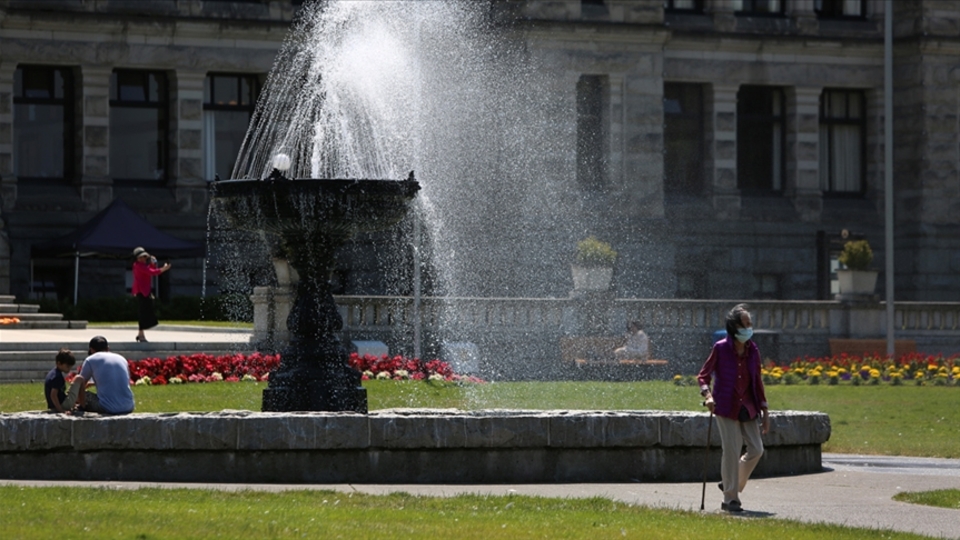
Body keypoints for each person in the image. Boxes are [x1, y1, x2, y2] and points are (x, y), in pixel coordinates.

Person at [697, 303, 770, 513]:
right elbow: (703, 375)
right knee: (731, 450)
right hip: (725, 405)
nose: (749, 328)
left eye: (750, 324)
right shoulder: (720, 348)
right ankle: (730, 499)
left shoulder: (753, 350)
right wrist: (708, 396)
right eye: (745, 324)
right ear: (734, 327)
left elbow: (757, 381)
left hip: (748, 406)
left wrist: (765, 411)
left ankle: (731, 482)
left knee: (757, 449)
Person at [75, 336, 135, 415]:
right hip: (129, 406)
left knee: (84, 394)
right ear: (108, 348)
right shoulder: (122, 359)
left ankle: (81, 407)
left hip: (108, 407)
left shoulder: (90, 360)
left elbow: (80, 384)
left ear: (91, 350)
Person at [132, 246, 170, 342]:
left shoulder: (141, 266)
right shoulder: (138, 266)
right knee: (143, 313)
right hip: (142, 292)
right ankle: (141, 335)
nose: (143, 259)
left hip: (145, 291)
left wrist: (153, 264)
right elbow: (152, 272)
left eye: (144, 257)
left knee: (145, 312)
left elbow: (149, 270)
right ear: (137, 258)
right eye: (141, 257)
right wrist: (164, 269)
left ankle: (140, 334)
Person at [44, 348, 82, 414]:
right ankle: (83, 405)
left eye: (70, 367)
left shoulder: (53, 373)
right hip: (61, 405)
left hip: (55, 405)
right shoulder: (57, 377)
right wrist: (61, 410)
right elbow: (53, 395)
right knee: (80, 378)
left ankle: (74, 404)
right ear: (59, 363)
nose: (69, 369)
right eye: (67, 366)